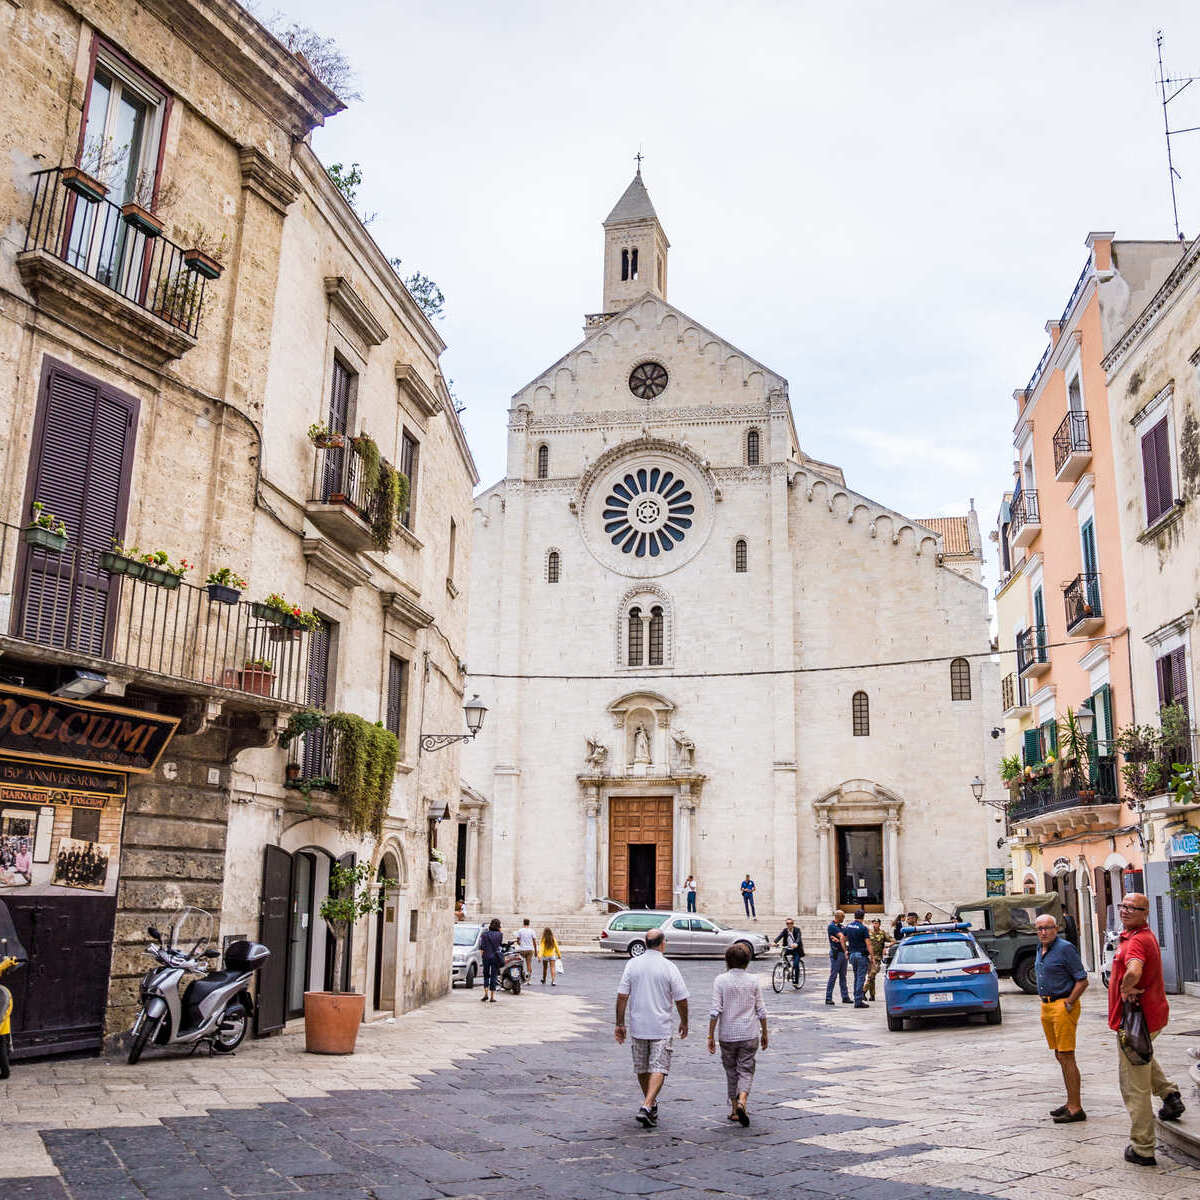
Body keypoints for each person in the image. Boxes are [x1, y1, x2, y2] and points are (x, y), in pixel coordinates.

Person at [1108, 892, 1185, 1166]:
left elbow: (1135, 968)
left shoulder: (1136, 942)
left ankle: (1142, 1148)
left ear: (1145, 912)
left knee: (1134, 1086)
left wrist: (1127, 986)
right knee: (1142, 1058)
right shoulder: (1141, 935)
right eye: (1123, 906)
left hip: (1135, 1021)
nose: (1126, 911)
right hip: (1152, 1016)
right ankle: (1169, 1094)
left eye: (1133, 908)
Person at [615, 928, 688, 1128]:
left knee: (642, 1067)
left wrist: (620, 1024)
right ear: (663, 943)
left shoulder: (632, 964)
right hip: (661, 1026)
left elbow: (622, 996)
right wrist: (684, 1021)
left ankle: (650, 1104)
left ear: (646, 944)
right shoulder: (669, 967)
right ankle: (648, 1104)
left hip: (638, 1025)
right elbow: (681, 999)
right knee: (658, 1067)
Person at [1034, 913, 1089, 1123]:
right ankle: (1070, 1102)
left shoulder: (1065, 948)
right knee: (1059, 1055)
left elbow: (1082, 980)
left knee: (1067, 1056)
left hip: (1062, 1005)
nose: (1043, 932)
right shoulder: (1040, 948)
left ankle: (1076, 1108)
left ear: (1056, 928)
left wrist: (1069, 1003)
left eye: (1047, 928)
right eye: (1039, 928)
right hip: (1046, 1006)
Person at [708, 942, 768, 1126]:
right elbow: (761, 1010)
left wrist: (710, 1035)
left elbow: (715, 1010)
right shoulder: (753, 980)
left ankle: (734, 1109)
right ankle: (743, 1100)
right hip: (749, 1033)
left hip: (727, 1034)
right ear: (747, 961)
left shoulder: (720, 980)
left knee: (731, 1071)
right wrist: (765, 1031)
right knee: (746, 1069)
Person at [843, 909, 871, 1008]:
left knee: (856, 977)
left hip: (852, 954)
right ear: (863, 917)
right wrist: (872, 956)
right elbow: (868, 943)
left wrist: (845, 949)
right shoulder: (863, 928)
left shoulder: (849, 926)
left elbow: (843, 938)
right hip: (861, 955)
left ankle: (856, 997)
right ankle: (858, 1000)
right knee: (860, 978)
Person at [824, 909, 850, 1005]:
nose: (844, 918)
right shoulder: (832, 926)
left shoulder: (841, 926)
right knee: (833, 975)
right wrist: (844, 948)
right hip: (837, 953)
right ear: (837, 916)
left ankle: (845, 996)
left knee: (843, 976)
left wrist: (840, 939)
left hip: (842, 953)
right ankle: (828, 997)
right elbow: (842, 937)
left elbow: (845, 936)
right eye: (842, 916)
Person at [866, 918, 894, 1001]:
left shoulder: (882, 933)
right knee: (871, 977)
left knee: (872, 974)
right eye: (874, 923)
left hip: (877, 958)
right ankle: (872, 995)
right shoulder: (868, 933)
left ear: (879, 924)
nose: (875, 925)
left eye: (877, 923)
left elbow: (893, 940)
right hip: (869, 957)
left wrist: (886, 947)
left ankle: (863, 991)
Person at [772, 917, 805, 987]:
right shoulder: (785, 930)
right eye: (788, 923)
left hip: (796, 950)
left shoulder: (797, 930)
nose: (789, 925)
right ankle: (789, 967)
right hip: (788, 948)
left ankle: (796, 981)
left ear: (793, 924)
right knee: (782, 955)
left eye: (791, 923)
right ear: (786, 924)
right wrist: (775, 942)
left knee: (796, 965)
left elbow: (799, 937)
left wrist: (796, 943)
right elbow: (779, 936)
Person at [480, 917, 504, 1003]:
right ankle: (492, 997)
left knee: (486, 975)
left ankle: (486, 994)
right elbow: (500, 944)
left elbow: (482, 947)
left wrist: (482, 957)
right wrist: (500, 931)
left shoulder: (484, 934)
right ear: (498, 926)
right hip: (495, 957)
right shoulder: (500, 935)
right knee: (494, 976)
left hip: (486, 956)